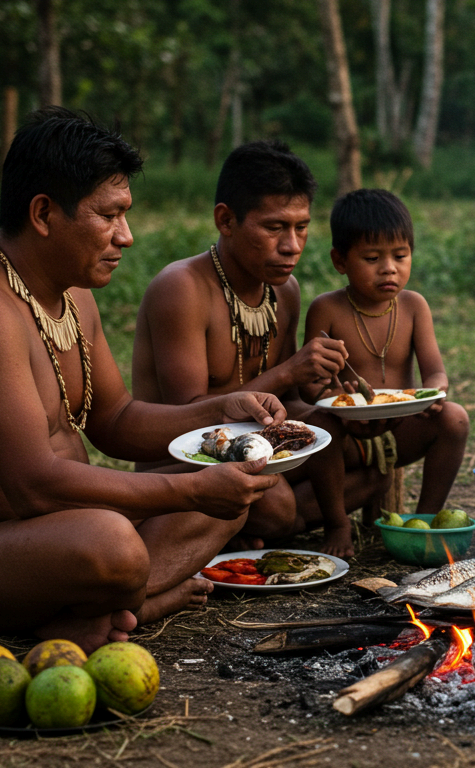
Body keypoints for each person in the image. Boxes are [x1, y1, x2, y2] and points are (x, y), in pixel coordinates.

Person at [0, 108, 287, 652]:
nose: (128, 236)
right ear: (45, 214)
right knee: (113, 542)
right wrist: (186, 486)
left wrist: (222, 412)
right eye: (110, 215)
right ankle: (136, 600)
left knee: (228, 494)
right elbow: (35, 486)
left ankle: (111, 605)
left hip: (55, 536)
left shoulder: (72, 294)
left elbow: (116, 420)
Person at [133, 140, 382, 558]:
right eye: (274, 227)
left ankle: (250, 526)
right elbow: (188, 421)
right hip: (190, 460)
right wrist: (288, 371)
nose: (293, 245)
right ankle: (266, 523)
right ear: (226, 220)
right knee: (280, 505)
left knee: (369, 466)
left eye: (301, 227)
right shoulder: (182, 289)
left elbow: (284, 403)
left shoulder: (284, 292)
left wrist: (331, 396)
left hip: (262, 451)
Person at [302, 189, 470, 519]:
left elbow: (435, 371)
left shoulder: (413, 306)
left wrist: (434, 394)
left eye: (400, 256)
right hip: (349, 436)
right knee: (321, 425)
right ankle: (338, 524)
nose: (389, 269)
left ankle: (424, 520)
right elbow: (309, 385)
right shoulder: (327, 309)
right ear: (340, 261)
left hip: (401, 428)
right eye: (372, 258)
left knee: (455, 418)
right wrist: (340, 400)